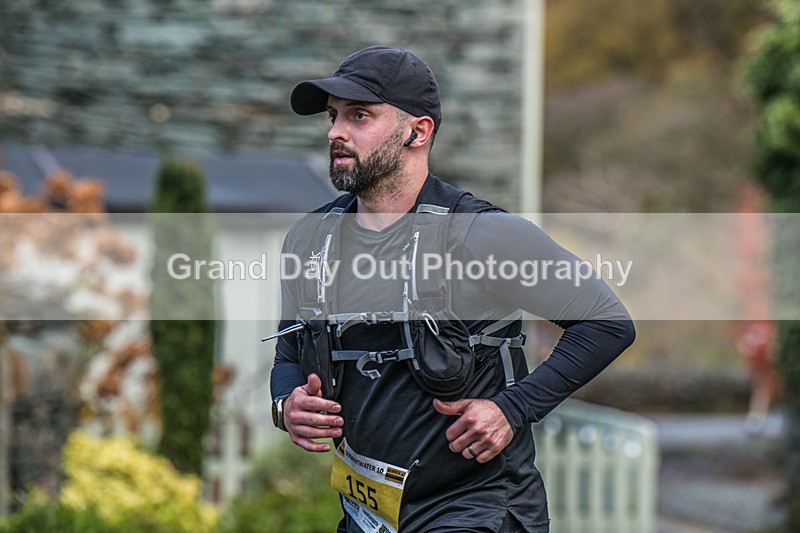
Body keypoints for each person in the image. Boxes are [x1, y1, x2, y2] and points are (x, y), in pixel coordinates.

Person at [269, 46, 635, 533]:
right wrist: (286, 405)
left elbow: (607, 323)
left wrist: (513, 408)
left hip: (476, 508)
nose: (336, 131)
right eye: (334, 116)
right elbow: (288, 352)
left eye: (360, 116)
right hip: (369, 517)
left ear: (417, 132)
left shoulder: (484, 235)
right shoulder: (310, 240)